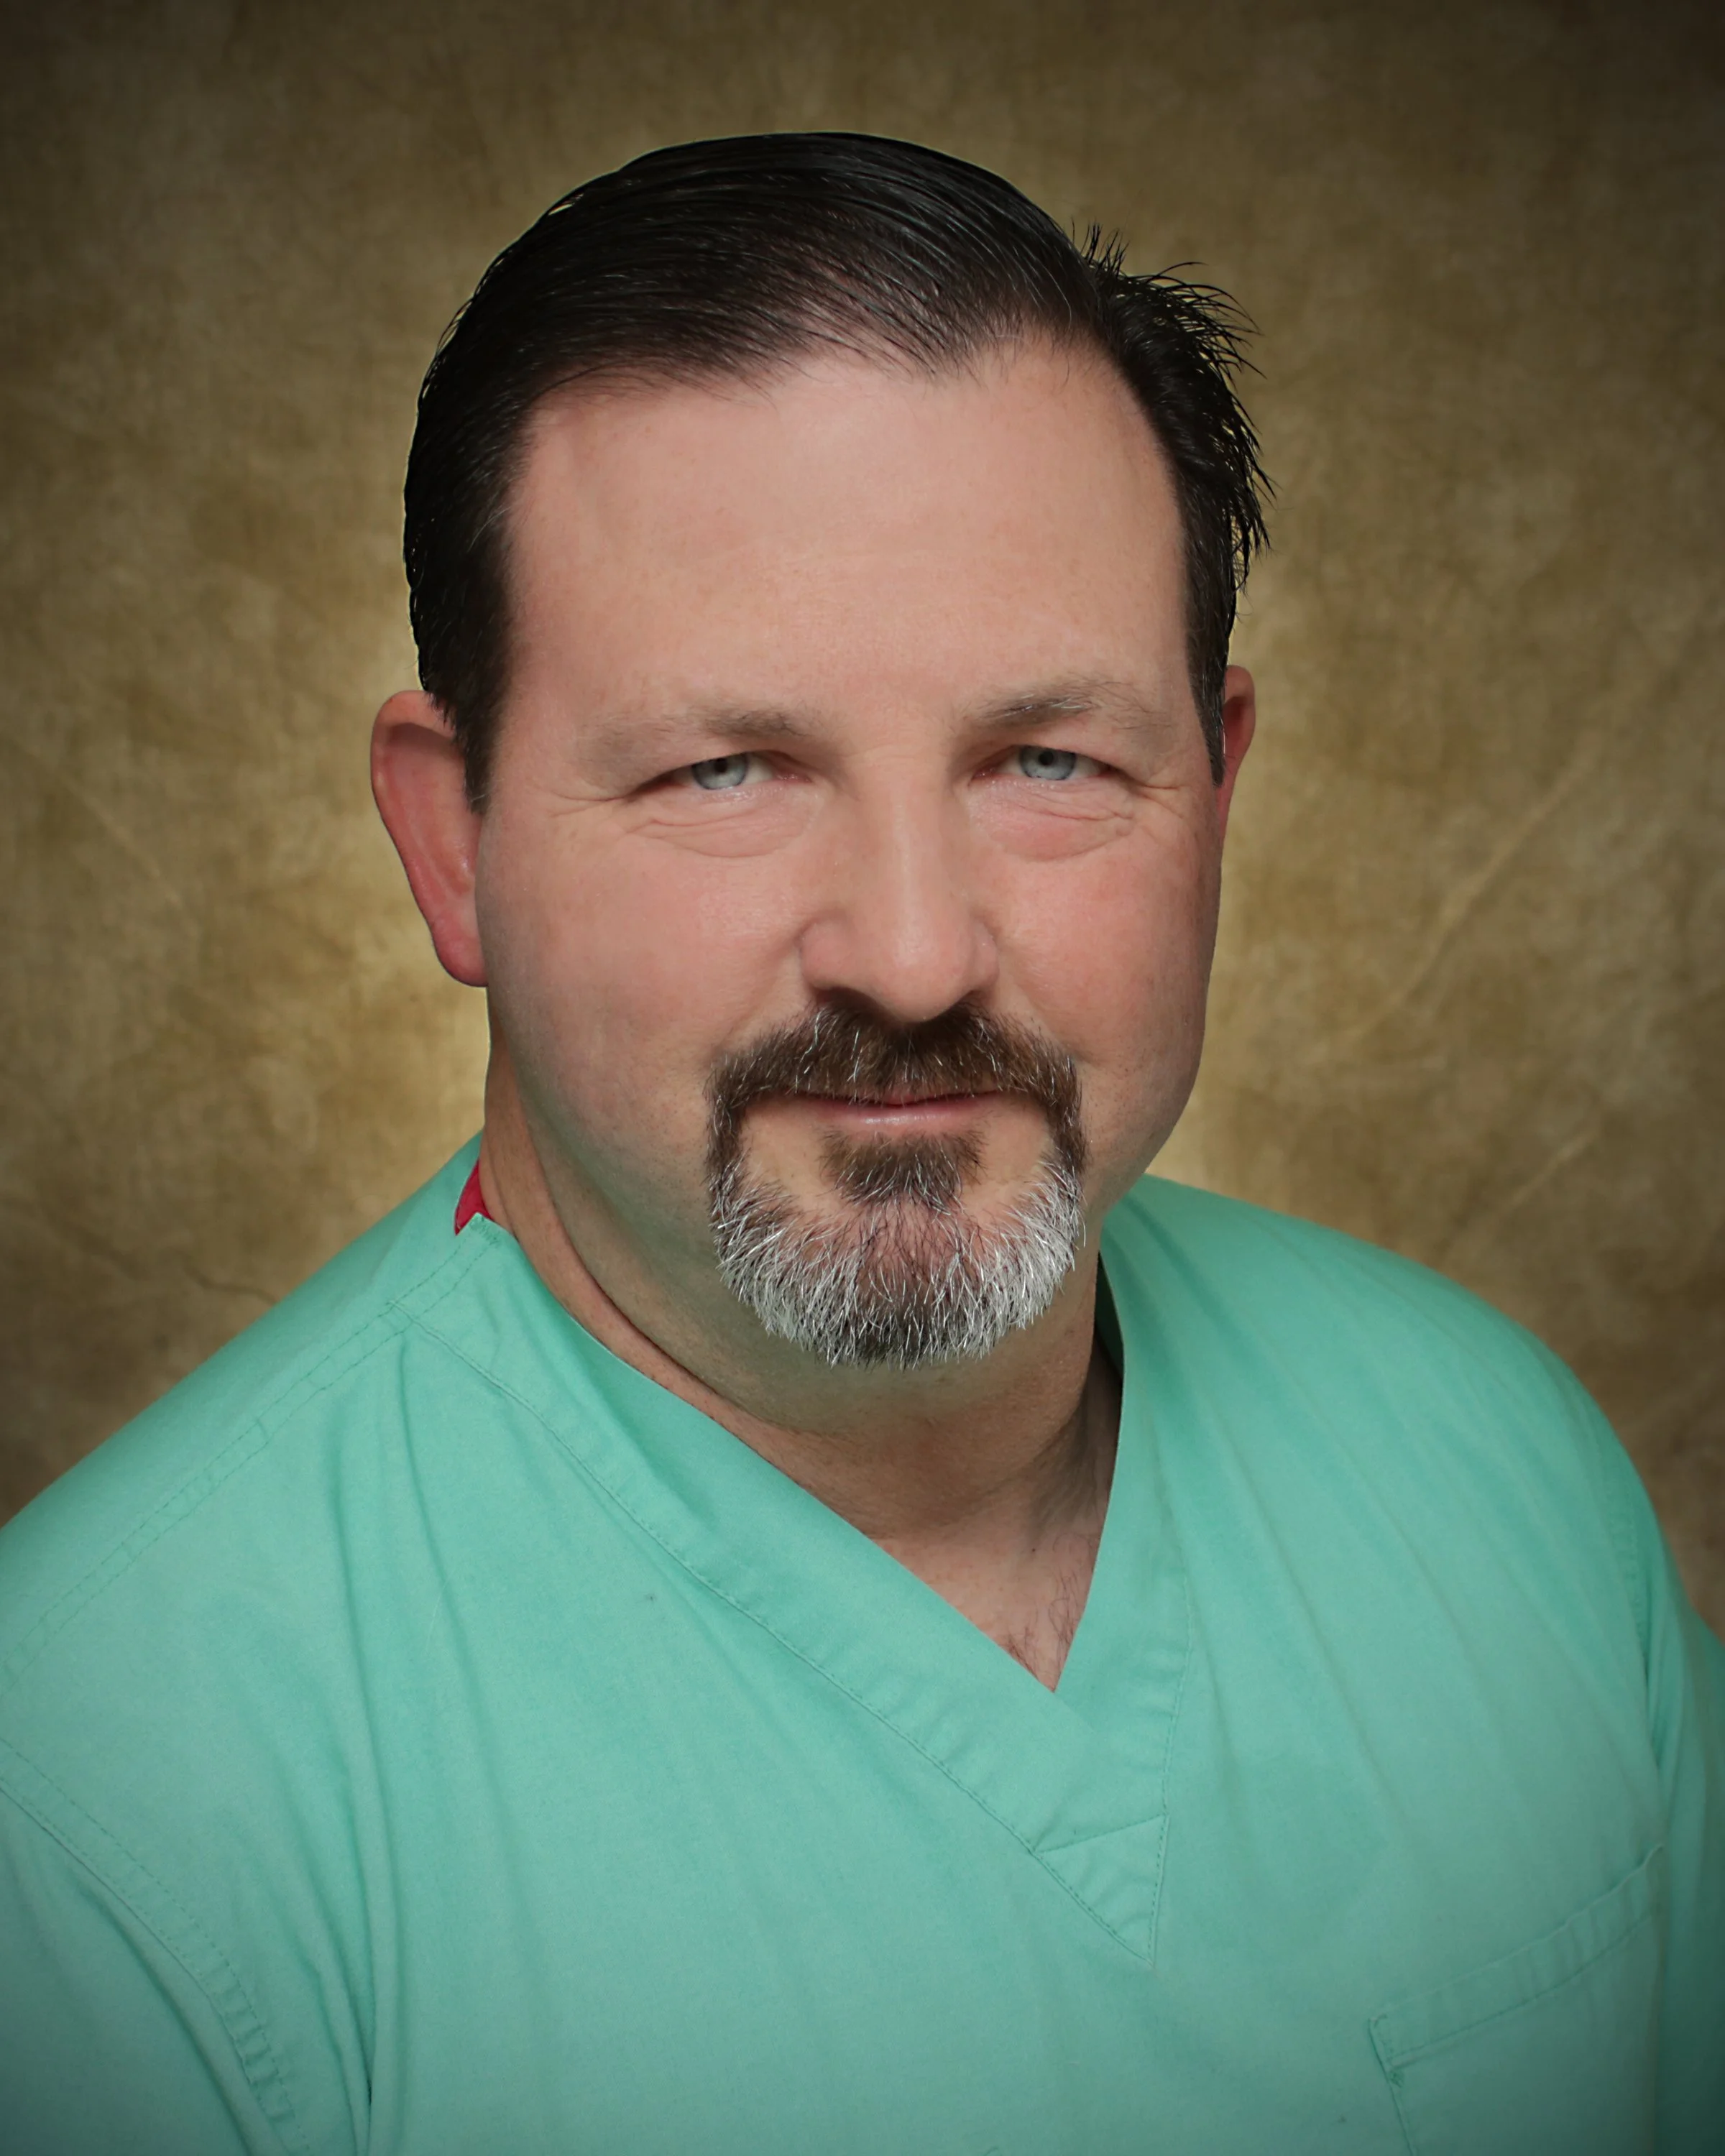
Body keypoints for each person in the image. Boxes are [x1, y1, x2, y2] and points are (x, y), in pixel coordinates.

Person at [0, 132, 1719, 2156]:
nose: (910, 954)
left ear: (1216, 788)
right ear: (452, 844)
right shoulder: (94, 1807)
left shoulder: (1502, 1460)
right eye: (728, 769)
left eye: (1047, 760)